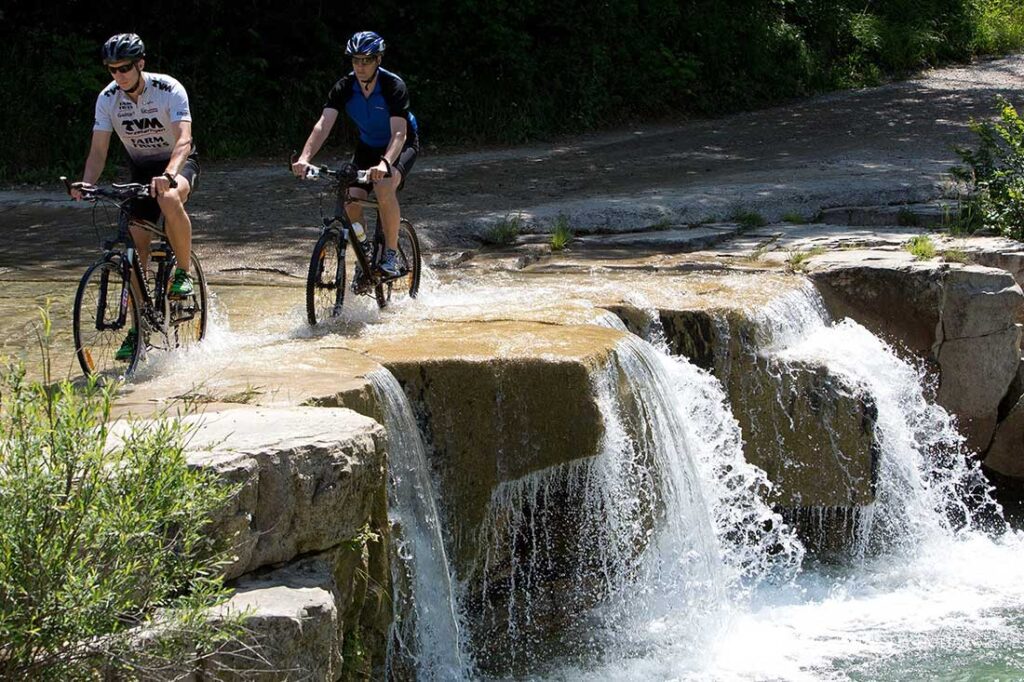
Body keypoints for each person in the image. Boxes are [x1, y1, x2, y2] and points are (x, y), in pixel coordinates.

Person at [70, 33, 200, 361]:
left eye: (125, 68)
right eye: (112, 69)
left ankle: (182, 273)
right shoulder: (108, 98)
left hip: (178, 164)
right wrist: (86, 183)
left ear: (140, 64)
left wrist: (170, 173)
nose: (119, 75)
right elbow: (99, 150)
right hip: (141, 172)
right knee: (134, 239)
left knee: (169, 200)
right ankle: (140, 325)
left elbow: (184, 139)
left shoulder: (168, 89)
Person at [292, 30, 420, 279]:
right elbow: (323, 125)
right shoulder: (344, 87)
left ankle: (391, 255)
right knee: (351, 198)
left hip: (401, 144)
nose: (360, 66)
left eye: (366, 60)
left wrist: (384, 164)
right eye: (355, 60)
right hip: (368, 145)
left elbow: (399, 134)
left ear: (378, 60)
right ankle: (365, 249)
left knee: (384, 187)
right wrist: (305, 158)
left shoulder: (393, 86)